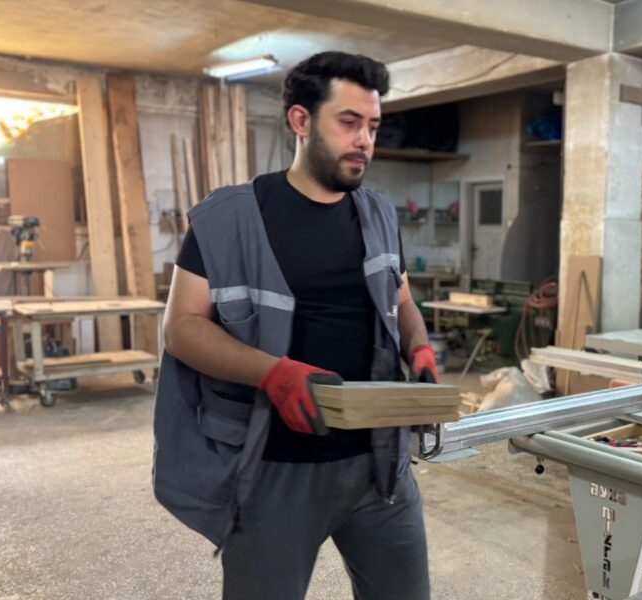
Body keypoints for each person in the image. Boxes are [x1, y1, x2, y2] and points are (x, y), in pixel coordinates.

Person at [152, 51, 439, 600]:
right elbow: (182, 328)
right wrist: (272, 374)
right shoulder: (228, 219)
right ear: (301, 120)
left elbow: (402, 300)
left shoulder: (379, 213)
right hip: (272, 469)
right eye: (348, 122)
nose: (364, 141)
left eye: (372, 126)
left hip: (380, 465)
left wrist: (419, 347)